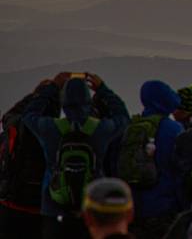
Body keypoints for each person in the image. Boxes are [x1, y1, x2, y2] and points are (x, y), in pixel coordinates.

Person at [23, 72, 130, 239]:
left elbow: (29, 115)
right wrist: (103, 89)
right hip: (91, 206)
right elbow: (122, 117)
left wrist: (51, 88)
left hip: (54, 206)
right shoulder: (101, 129)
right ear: (88, 100)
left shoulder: (50, 128)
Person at [123, 80, 183, 239]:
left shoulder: (132, 128)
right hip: (165, 207)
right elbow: (180, 170)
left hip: (135, 207)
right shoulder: (174, 130)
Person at [0, 82, 59, 239]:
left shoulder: (14, 127)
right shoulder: (56, 134)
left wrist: (36, 95)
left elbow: (9, 114)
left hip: (10, 204)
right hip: (42, 209)